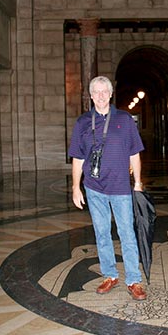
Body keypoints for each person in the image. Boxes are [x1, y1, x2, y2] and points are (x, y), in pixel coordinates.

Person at [68, 76, 147, 300]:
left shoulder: (124, 119)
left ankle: (133, 280)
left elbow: (134, 153)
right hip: (94, 188)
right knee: (101, 233)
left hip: (120, 187)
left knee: (127, 233)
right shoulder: (83, 122)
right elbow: (77, 158)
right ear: (91, 96)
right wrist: (75, 187)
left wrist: (138, 182)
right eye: (96, 92)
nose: (101, 96)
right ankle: (110, 275)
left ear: (111, 94)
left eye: (105, 91)